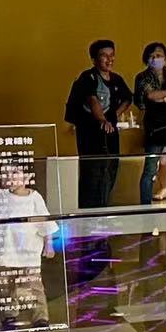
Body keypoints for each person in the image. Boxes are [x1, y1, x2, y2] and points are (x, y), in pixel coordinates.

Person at [0, 157, 56, 330]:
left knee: (33, 287)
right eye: (4, 173)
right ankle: (9, 315)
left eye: (15, 172)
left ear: (27, 176)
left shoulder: (34, 198)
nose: (9, 176)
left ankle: (40, 317)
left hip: (27, 252)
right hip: (3, 252)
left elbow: (44, 221)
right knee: (4, 288)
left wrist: (49, 243)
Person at [65, 40, 134, 210]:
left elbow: (128, 98)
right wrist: (102, 120)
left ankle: (103, 210)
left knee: (110, 170)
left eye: (112, 55)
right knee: (92, 173)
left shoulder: (117, 79)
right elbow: (93, 100)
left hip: (110, 135)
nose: (109, 59)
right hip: (90, 134)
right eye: (104, 56)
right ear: (94, 59)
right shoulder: (87, 77)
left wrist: (113, 116)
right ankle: (88, 214)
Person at [133, 42, 166, 205]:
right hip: (154, 126)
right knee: (150, 168)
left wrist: (163, 98)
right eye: (152, 56)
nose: (155, 58)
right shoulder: (142, 77)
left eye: (158, 55)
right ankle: (145, 206)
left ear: (165, 57)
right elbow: (150, 95)